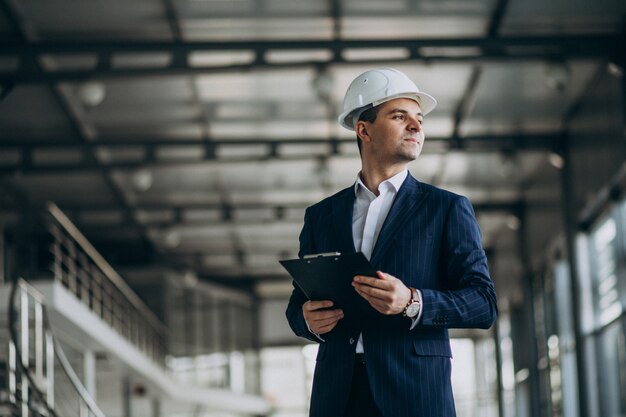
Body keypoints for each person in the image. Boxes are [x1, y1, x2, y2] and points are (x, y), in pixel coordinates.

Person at [285, 68, 497, 417]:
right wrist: (307, 320)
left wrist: (412, 302)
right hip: (338, 396)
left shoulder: (446, 209)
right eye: (400, 117)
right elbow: (297, 305)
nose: (416, 126)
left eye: (419, 119)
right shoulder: (320, 216)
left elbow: (484, 303)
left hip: (415, 394)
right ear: (363, 130)